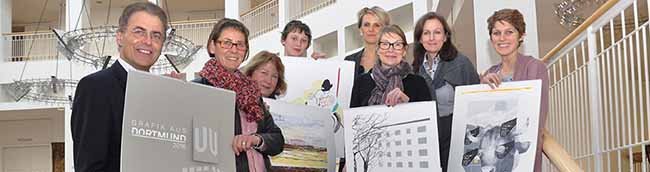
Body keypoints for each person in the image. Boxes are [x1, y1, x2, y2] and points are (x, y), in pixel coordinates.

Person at [70, 2, 168, 171]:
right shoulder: (95, 88)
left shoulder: (163, 95)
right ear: (120, 37)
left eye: (156, 36)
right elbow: (90, 166)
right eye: (139, 32)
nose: (148, 41)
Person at [193, 18, 284, 172]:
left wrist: (256, 139)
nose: (234, 50)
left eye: (240, 44)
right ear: (212, 46)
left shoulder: (252, 92)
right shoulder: (198, 89)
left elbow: (277, 140)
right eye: (227, 43)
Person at [480, 9, 549, 172]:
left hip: (519, 158)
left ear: (521, 36)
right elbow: (484, 117)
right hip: (493, 156)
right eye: (496, 33)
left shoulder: (535, 67)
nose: (502, 38)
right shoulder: (489, 72)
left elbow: (536, 115)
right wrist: (482, 88)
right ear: (491, 39)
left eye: (509, 32)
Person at [411, 12, 480, 171]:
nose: (431, 38)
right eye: (426, 33)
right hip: (426, 139)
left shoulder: (461, 63)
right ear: (420, 39)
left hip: (456, 137)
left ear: (445, 36)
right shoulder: (415, 69)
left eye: (437, 32)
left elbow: (475, 100)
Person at [350, 24, 431, 107]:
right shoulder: (360, 83)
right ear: (377, 49)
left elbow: (428, 116)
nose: (391, 50)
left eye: (397, 45)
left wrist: (407, 103)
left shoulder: (418, 83)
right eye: (385, 44)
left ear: (404, 51)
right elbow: (353, 118)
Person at [344, 6, 391, 78]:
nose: (371, 29)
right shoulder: (349, 61)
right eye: (366, 25)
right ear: (360, 30)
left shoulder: (392, 57)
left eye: (377, 25)